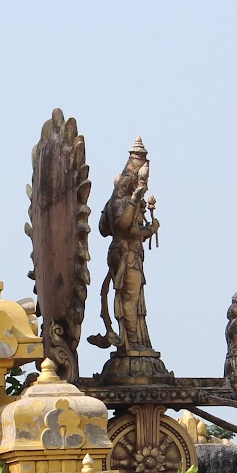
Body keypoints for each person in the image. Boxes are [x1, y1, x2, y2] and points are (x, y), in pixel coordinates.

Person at [93, 141, 159, 351]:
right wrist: (149, 229)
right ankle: (132, 343)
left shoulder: (114, 202)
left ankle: (133, 340)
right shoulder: (123, 202)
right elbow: (122, 228)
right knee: (130, 297)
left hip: (125, 253)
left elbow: (105, 228)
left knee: (131, 296)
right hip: (126, 254)